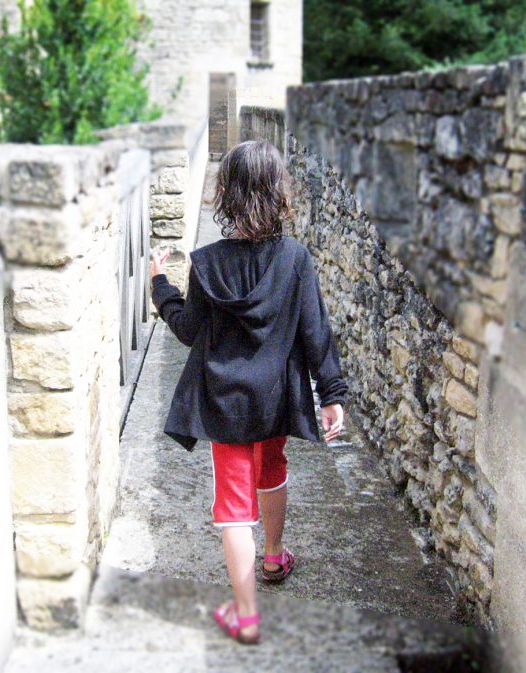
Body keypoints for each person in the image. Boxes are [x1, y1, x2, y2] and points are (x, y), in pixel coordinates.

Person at [148, 140, 349, 645]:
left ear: (227, 194)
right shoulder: (296, 258)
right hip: (276, 397)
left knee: (233, 505)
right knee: (273, 470)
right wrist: (331, 395)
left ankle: (246, 613)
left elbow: (189, 330)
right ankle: (276, 556)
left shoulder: (208, 262)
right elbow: (315, 332)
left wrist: (160, 285)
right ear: (278, 192)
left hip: (225, 402)